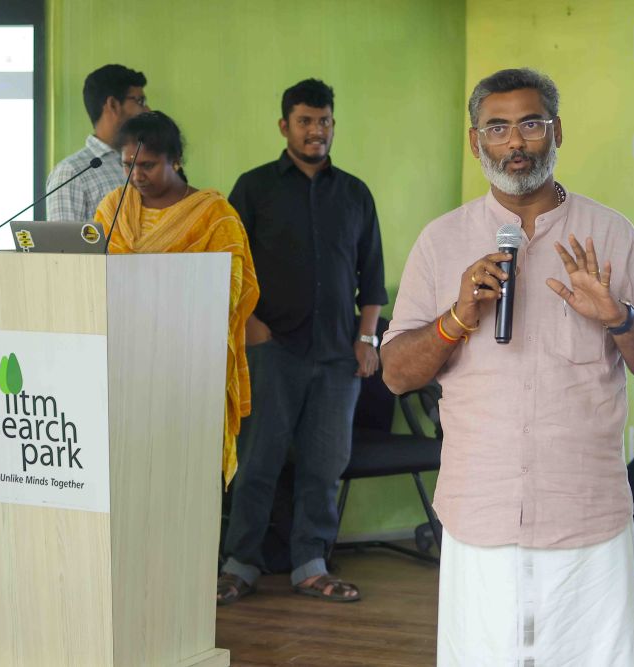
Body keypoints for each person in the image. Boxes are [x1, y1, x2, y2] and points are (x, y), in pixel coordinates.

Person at [380, 68, 634, 665]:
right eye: (497, 128)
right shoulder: (441, 242)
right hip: (479, 510)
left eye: (530, 124)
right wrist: (456, 317)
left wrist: (617, 317)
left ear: (557, 131)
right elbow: (395, 373)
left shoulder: (611, 235)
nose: (515, 143)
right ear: (476, 142)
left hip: (585, 513)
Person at [217, 79, 387, 605]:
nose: (317, 130)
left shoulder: (355, 192)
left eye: (325, 121)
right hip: (273, 351)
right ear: (285, 126)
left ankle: (311, 565)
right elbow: (228, 263)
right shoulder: (254, 187)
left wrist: (367, 338)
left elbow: (373, 276)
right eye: (306, 121)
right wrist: (247, 325)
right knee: (257, 464)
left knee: (324, 466)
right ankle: (238, 564)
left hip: (338, 355)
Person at [94, 111, 259, 486]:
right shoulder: (112, 209)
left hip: (187, 372)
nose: (136, 174)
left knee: (180, 485)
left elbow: (231, 292)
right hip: (121, 367)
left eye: (148, 165)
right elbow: (94, 277)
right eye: (127, 164)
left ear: (176, 160)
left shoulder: (214, 217)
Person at [47, 64, 150, 221]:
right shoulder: (72, 172)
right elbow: (63, 245)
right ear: (113, 104)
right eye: (140, 101)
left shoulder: (146, 162)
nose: (147, 110)